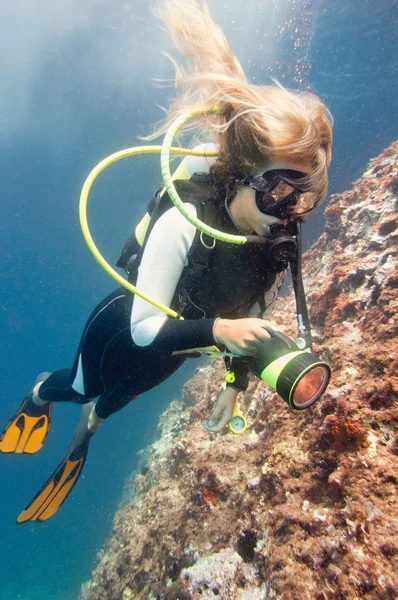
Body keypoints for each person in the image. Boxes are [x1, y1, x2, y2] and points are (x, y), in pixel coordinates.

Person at [0, 0, 333, 522]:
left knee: (114, 403)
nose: (288, 213)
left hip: (173, 353)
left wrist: (234, 384)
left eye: (303, 196)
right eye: (279, 191)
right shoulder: (184, 220)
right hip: (122, 330)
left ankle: (89, 429)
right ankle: (42, 391)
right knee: (85, 386)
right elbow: (144, 329)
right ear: (243, 175)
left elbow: (252, 325)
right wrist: (221, 328)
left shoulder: (275, 244)